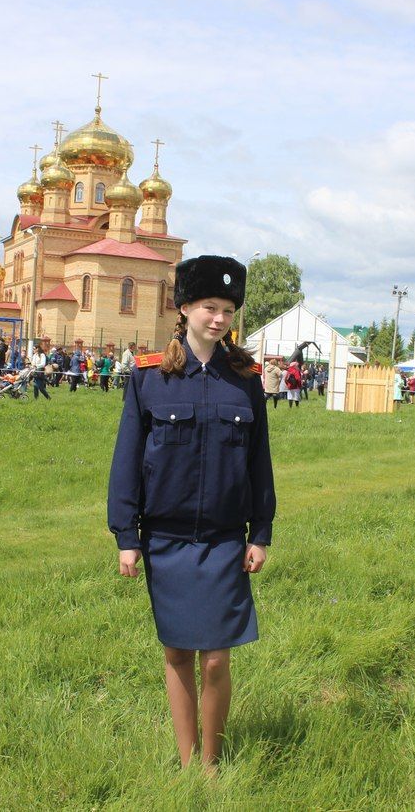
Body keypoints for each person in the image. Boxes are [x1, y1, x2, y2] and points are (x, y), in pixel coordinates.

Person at [108, 254, 274, 773]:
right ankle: (185, 764)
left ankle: (211, 761)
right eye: (209, 307)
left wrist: (260, 532)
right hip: (166, 539)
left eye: (227, 309)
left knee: (219, 656)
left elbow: (259, 463)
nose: (219, 318)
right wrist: (126, 536)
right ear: (184, 308)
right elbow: (127, 461)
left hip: (225, 539)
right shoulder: (151, 379)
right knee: (178, 653)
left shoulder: (244, 380)